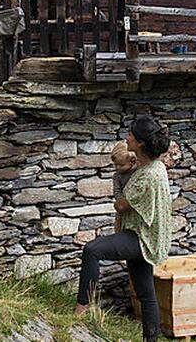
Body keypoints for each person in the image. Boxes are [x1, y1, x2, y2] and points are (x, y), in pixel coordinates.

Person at [76, 116, 173, 342]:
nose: (126, 137)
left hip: (142, 238)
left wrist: (117, 186)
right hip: (150, 235)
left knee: (92, 250)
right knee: (146, 294)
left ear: (139, 143)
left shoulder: (147, 175)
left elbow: (121, 205)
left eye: (130, 134)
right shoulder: (154, 166)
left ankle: (80, 311)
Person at [109, 142, 137, 233]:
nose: (117, 168)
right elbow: (117, 191)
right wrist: (121, 202)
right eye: (115, 164)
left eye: (121, 165)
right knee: (119, 227)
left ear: (132, 161)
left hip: (135, 205)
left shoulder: (138, 172)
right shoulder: (117, 176)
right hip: (122, 206)